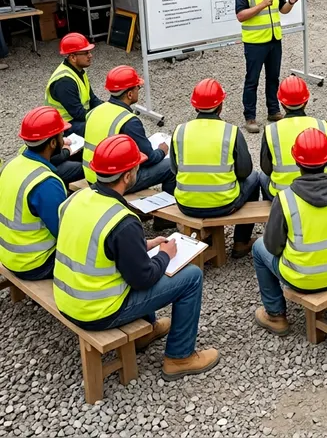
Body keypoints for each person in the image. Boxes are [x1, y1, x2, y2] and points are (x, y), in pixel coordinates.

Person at [54, 135, 218, 379]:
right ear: (128, 175)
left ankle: (146, 332)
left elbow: (97, 244)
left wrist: (142, 245)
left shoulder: (75, 199)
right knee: (192, 276)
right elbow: (143, 278)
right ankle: (179, 357)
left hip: (67, 298)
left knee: (138, 261)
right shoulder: (123, 220)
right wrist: (163, 255)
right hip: (98, 311)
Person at [252, 128, 327, 335]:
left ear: (297, 163)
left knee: (258, 247)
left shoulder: (286, 198)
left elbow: (272, 246)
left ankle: (275, 314)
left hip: (300, 277)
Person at [172, 78, 263, 260]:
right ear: (220, 105)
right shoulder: (230, 131)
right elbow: (245, 171)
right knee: (255, 178)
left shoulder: (180, 131)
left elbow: (175, 170)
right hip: (224, 204)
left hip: (186, 205)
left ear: (195, 106)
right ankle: (240, 241)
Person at [0, 107, 70, 280]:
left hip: (9, 255)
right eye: (61, 135)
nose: (63, 138)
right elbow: (65, 234)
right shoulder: (46, 183)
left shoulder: (10, 165)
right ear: (53, 143)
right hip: (36, 264)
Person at [83, 65, 175, 194]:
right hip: (114, 183)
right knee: (172, 165)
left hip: (91, 176)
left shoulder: (94, 111)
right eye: (138, 87)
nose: (139, 90)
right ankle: (169, 205)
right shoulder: (129, 121)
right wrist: (162, 151)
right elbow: (150, 158)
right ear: (130, 94)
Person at [237, 0, 301, 132]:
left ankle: (273, 110)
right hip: (255, 43)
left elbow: (282, 10)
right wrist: (261, 5)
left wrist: (290, 2)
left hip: (274, 40)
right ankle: (250, 117)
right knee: (252, 80)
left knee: (273, 78)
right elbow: (241, 15)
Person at [262, 76, 327, 199]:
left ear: (282, 103)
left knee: (261, 177)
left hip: (282, 193)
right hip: (319, 190)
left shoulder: (271, 130)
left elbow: (266, 169)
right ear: (306, 102)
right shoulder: (322, 125)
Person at [45, 33, 103, 137]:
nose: (90, 55)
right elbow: (78, 113)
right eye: (86, 53)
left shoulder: (78, 71)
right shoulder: (64, 82)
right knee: (101, 128)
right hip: (63, 127)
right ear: (73, 57)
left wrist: (106, 110)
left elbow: (92, 99)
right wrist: (101, 118)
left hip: (75, 119)